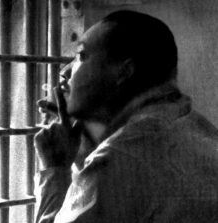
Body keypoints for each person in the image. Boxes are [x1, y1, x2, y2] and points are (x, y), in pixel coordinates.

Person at [34, 10, 218, 223]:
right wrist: (84, 155)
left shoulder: (121, 156)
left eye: (81, 56)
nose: (65, 72)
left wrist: (54, 169)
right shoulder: (197, 128)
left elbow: (125, 168)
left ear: (124, 72)